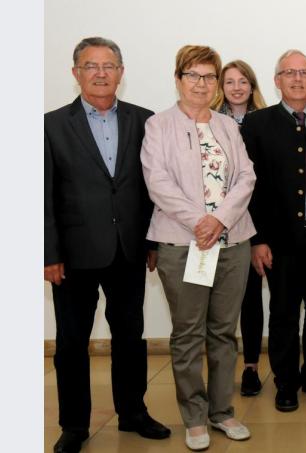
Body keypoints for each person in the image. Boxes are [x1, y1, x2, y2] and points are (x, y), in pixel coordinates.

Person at [44, 36, 170, 453]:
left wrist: (153, 241)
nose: (100, 73)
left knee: (130, 337)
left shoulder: (144, 121)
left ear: (121, 71)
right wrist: (49, 253)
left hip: (130, 249)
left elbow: (154, 189)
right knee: (71, 344)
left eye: (109, 65)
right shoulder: (51, 125)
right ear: (76, 72)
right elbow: (41, 195)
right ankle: (75, 425)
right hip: (74, 255)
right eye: (90, 65)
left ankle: (133, 412)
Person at [140, 45, 256, 451]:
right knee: (188, 334)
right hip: (181, 242)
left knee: (224, 332)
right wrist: (199, 222)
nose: (202, 84)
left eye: (209, 77)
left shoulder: (228, 127)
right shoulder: (159, 126)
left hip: (233, 241)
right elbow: (158, 183)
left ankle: (221, 411)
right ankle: (194, 416)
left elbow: (245, 176)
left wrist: (220, 219)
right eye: (193, 75)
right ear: (178, 79)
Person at [240, 49, 306, 411]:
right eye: (289, 73)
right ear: (276, 80)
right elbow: (248, 186)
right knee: (283, 312)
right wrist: (258, 239)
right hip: (279, 239)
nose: (298, 79)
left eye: (305, 72)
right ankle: (286, 382)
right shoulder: (256, 124)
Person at [209, 59, 268, 397]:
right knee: (215, 302)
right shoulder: (209, 122)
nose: (236, 87)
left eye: (242, 81)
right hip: (214, 224)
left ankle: (250, 367)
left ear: (252, 85)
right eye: (229, 82)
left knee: (249, 299)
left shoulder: (264, 121)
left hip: (252, 223)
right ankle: (219, 367)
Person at [211, 59, 267, 125]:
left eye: (243, 82)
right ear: (222, 88)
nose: (236, 88)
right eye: (230, 82)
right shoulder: (209, 118)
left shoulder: (266, 119)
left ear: (252, 87)